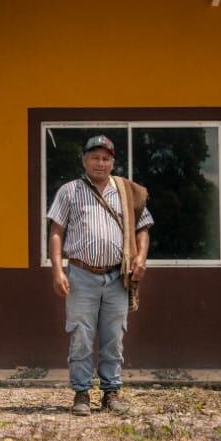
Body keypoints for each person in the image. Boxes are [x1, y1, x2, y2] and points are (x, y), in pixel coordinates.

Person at [46, 135, 152, 415]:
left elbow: (143, 227)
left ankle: (111, 393)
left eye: (106, 158)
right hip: (81, 275)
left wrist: (141, 258)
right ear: (84, 160)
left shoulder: (126, 191)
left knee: (114, 337)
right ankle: (81, 393)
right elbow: (56, 231)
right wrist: (57, 269)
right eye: (95, 157)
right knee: (80, 335)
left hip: (117, 277)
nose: (100, 163)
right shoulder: (69, 191)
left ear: (113, 162)